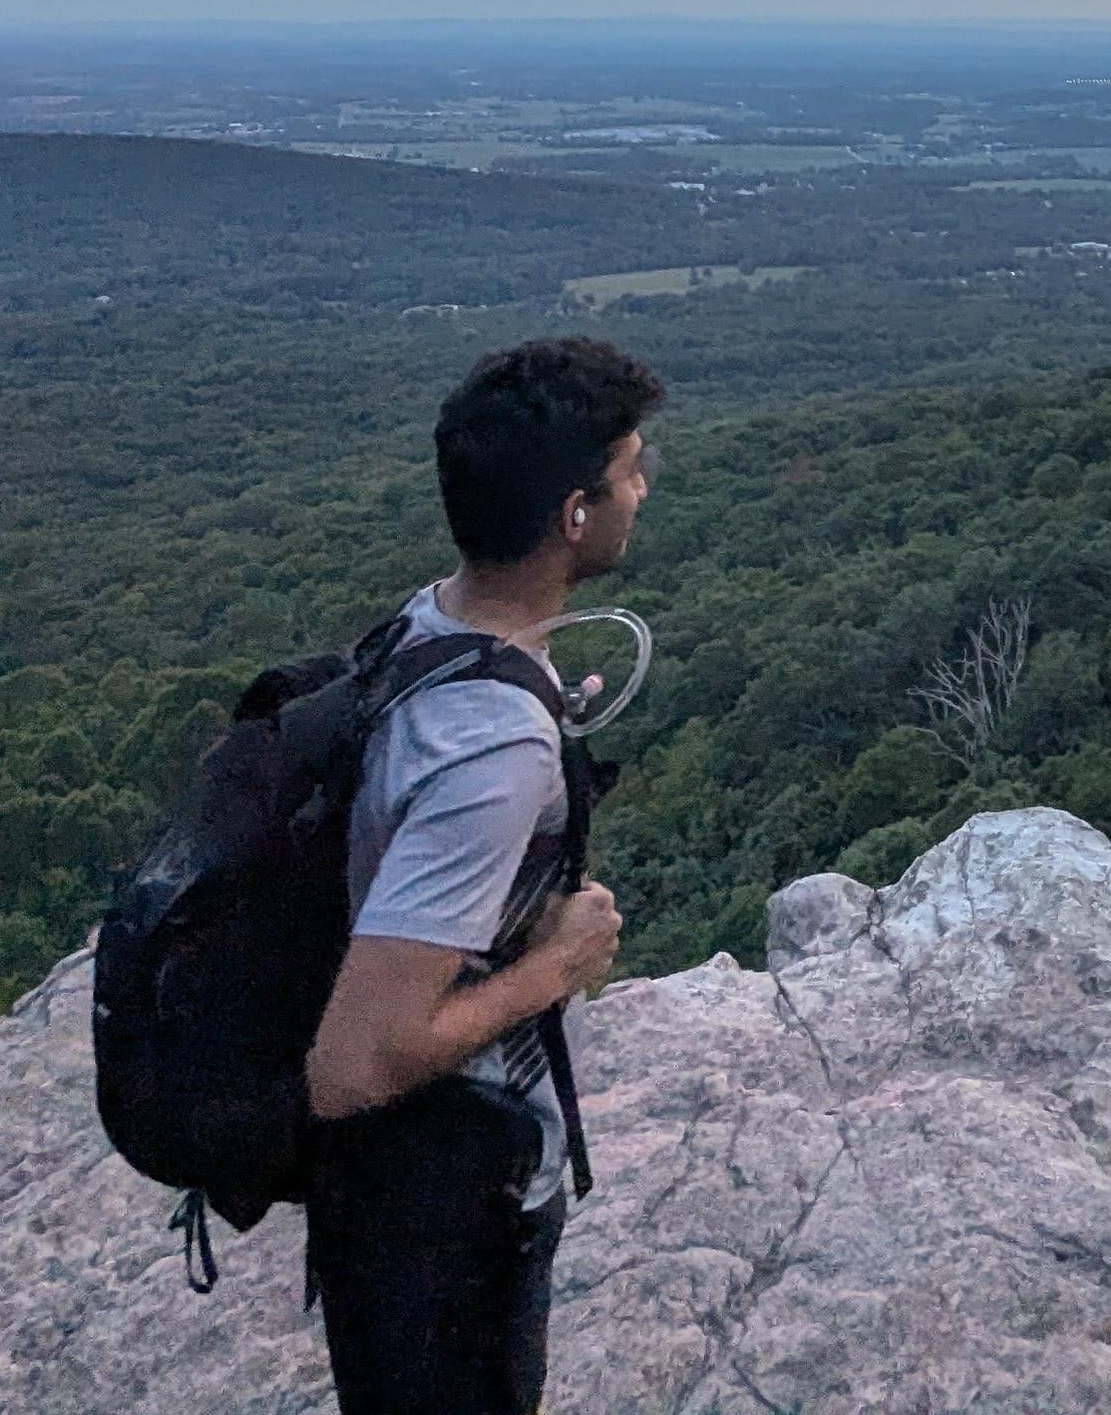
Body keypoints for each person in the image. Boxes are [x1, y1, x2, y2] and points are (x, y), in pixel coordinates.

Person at [300, 335, 656, 1415]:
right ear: (574, 515)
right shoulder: (492, 746)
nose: (646, 487)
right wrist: (557, 965)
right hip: (446, 1199)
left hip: (397, 1199)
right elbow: (352, 1064)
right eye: (633, 468)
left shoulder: (432, 625)